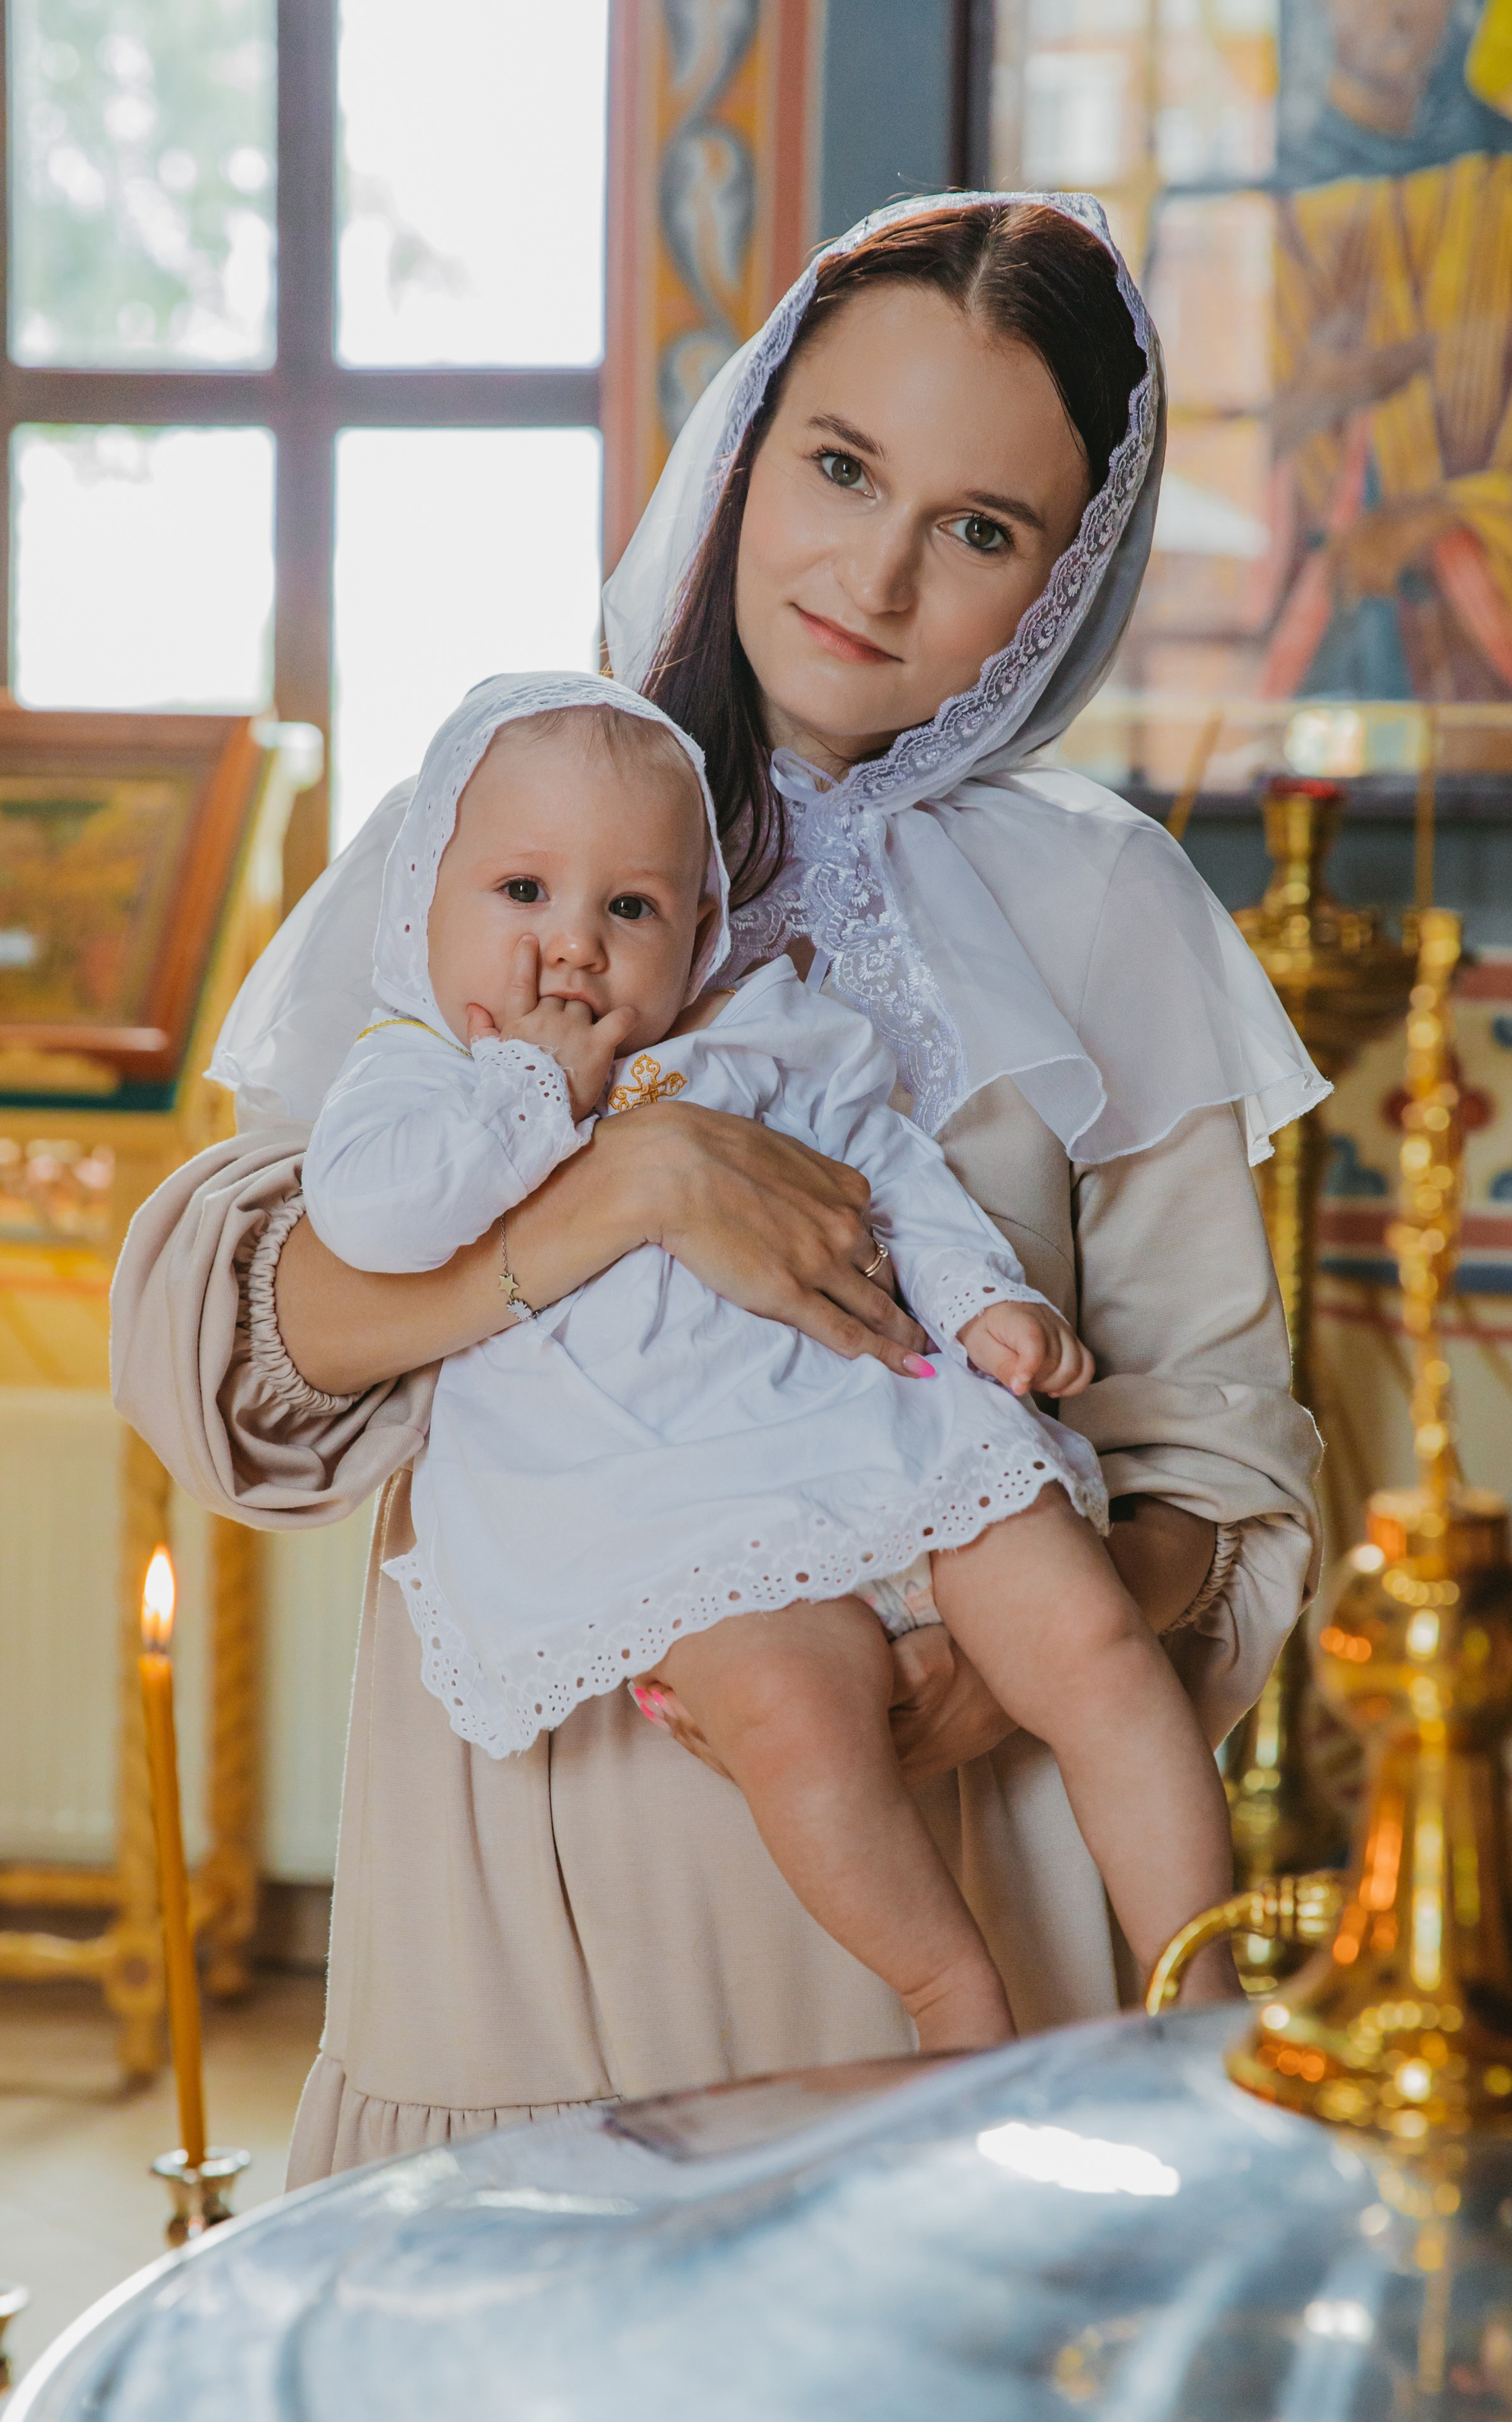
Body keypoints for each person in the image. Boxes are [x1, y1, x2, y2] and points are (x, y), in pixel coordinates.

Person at [111, 191, 1324, 2185]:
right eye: (840, 465)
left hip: (968, 1891)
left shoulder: (1103, 905)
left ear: (1064, 581)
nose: (873, 570)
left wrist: (1014, 1652)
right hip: (533, 1908)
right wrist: (628, 1190)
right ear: (746, 441)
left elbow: (1221, 1449)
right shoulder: (513, 826)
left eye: (980, 527)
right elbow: (246, 1340)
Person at [303, 670, 1240, 2054]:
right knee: (797, 1723)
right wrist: (535, 1090)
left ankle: (1199, 1989)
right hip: (666, 1501)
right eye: (520, 893)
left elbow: (894, 1176)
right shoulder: (419, 1079)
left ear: (697, 926)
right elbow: (374, 1221)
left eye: (627, 908)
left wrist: (979, 1298)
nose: (571, 947)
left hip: (886, 1421)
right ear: (420, 903)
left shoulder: (757, 1034)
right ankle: (948, 1997)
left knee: (1090, 1638)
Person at [1266, 0, 1512, 699]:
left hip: (1474, 646)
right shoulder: (1265, 204)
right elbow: (1196, 458)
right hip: (1311, 637)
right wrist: (1307, 409)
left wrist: (1446, 517)